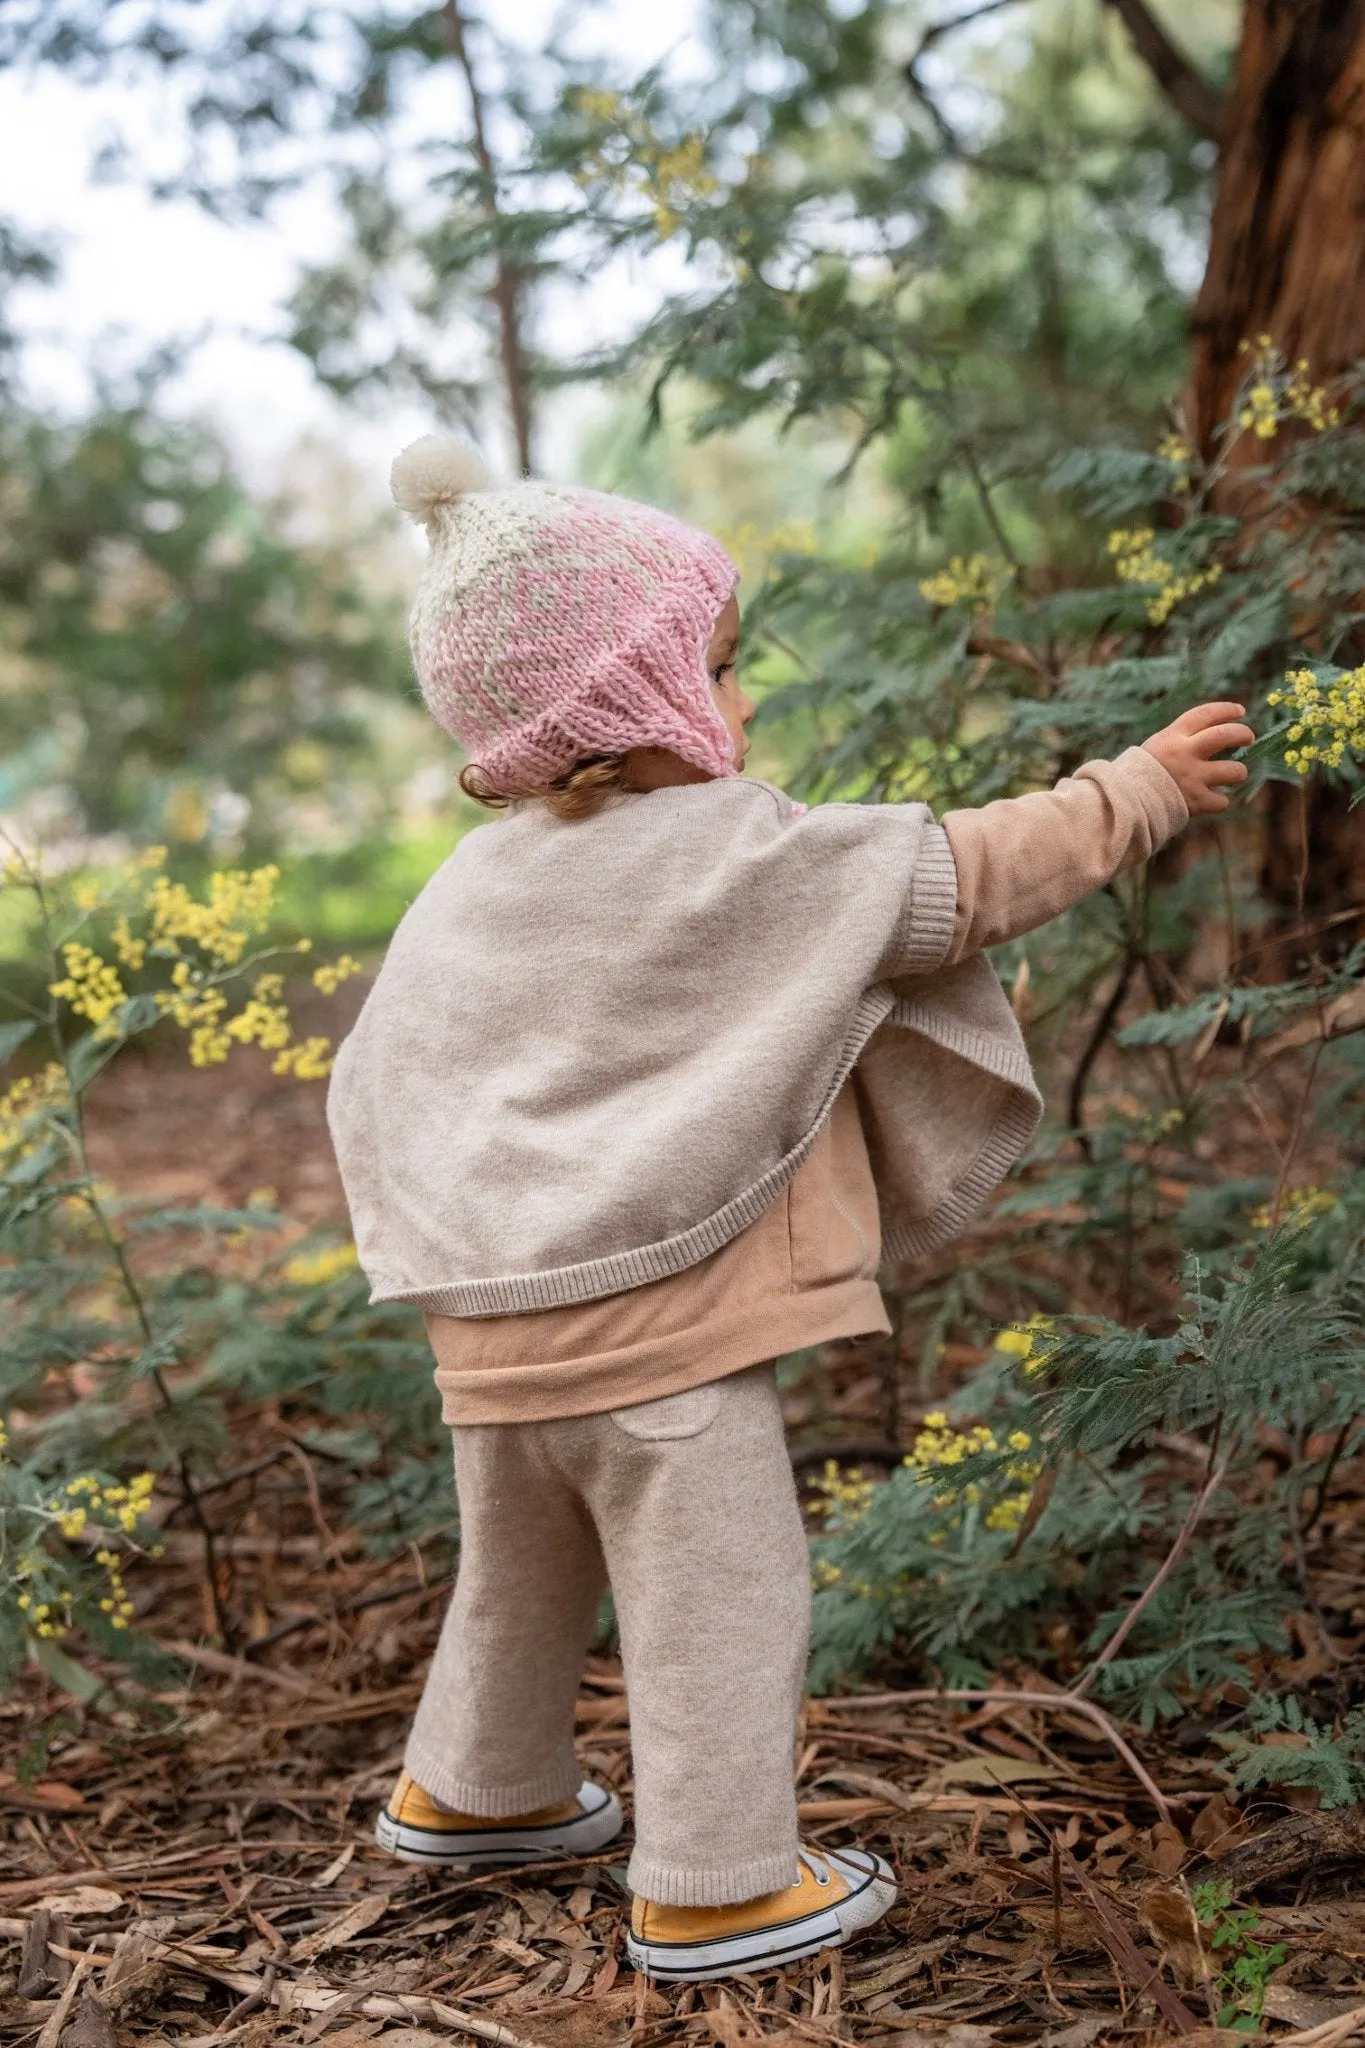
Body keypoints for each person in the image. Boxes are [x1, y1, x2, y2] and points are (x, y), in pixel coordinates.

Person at [326, 437, 1252, 1983]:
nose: (746, 708)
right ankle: (716, 1881)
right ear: (633, 706)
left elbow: (373, 1073)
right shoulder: (727, 851)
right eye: (725, 672)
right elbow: (957, 876)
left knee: (518, 1578)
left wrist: (453, 1240)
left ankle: (478, 1793)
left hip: (489, 1344)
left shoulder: (469, 890)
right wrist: (1134, 789)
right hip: (668, 1353)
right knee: (724, 1596)